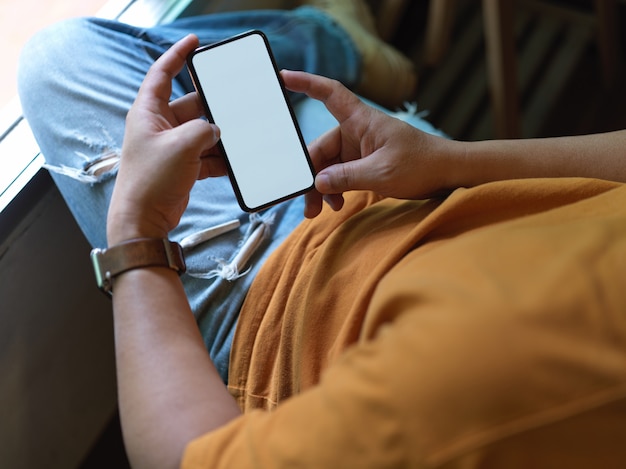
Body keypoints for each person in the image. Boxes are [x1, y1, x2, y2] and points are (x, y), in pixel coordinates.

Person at [19, 4, 626, 469]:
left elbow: (196, 455)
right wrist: (449, 160)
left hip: (274, 303)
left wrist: (137, 233)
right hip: (412, 191)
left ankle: (335, 38)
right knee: (257, 83)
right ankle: (340, 41)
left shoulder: (486, 401)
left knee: (62, 53)